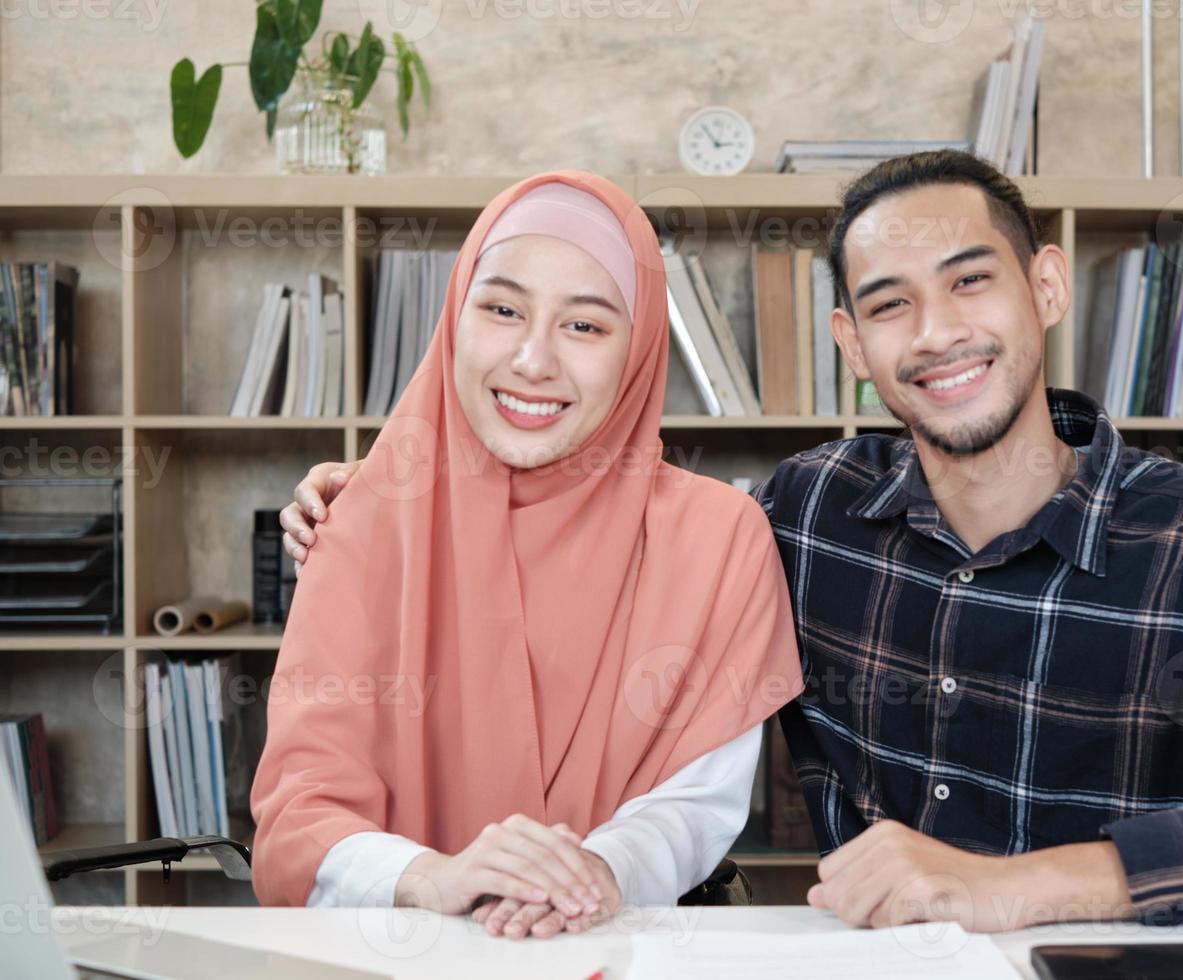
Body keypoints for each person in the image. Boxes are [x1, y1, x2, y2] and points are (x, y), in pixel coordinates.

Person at [279, 151, 1183, 933]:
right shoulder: (799, 516)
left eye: (969, 282)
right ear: (850, 339)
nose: (936, 334)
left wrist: (1014, 886)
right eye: (889, 303)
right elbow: (617, 531)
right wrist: (372, 501)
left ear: (1045, 285)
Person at [250, 171, 803, 942]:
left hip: (619, 948)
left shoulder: (720, 536)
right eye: (502, 310)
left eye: (585, 326)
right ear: (455, 319)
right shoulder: (361, 522)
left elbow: (697, 802)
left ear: (639, 350)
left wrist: (589, 877)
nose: (533, 360)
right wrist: (432, 878)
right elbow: (301, 809)